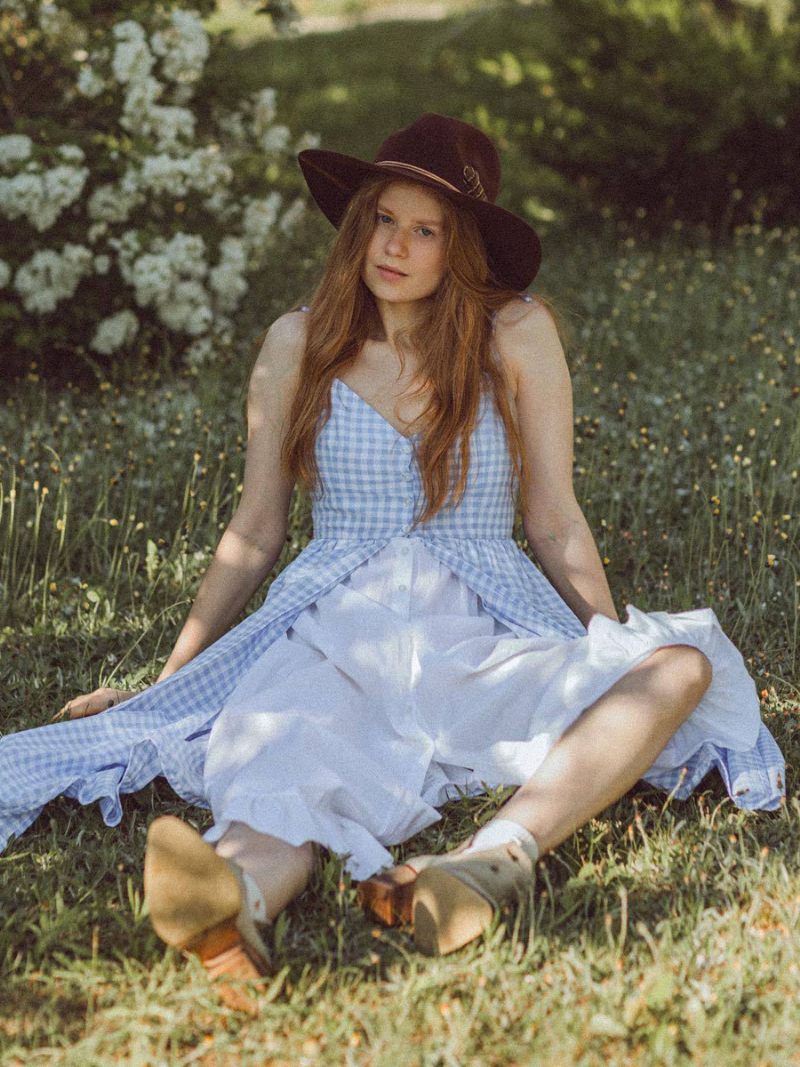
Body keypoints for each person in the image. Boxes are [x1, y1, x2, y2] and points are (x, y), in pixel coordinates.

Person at [0, 114, 785, 999]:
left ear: (464, 249)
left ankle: (488, 864)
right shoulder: (298, 342)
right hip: (336, 622)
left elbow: (554, 520)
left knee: (674, 666)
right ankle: (237, 899)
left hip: (480, 622)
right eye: (383, 220)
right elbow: (255, 531)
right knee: (286, 751)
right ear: (357, 221)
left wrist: (605, 645)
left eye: (427, 230)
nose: (396, 247)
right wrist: (169, 683)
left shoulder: (514, 334)